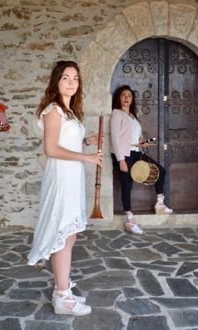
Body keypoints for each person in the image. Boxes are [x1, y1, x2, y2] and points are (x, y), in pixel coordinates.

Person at [27, 61, 102, 316]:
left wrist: (85, 141)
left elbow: (66, 140)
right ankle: (62, 296)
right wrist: (87, 157)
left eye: (75, 78)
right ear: (56, 81)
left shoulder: (69, 111)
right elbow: (51, 149)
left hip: (72, 176)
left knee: (70, 235)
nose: (71, 82)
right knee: (62, 233)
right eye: (66, 77)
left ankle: (63, 290)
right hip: (60, 176)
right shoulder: (53, 111)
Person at [110, 85, 173, 235]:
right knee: (127, 185)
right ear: (119, 98)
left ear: (132, 99)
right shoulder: (116, 114)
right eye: (124, 95)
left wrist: (141, 141)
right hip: (124, 154)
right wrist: (120, 160)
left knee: (160, 171)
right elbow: (115, 138)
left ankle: (159, 204)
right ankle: (130, 221)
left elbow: (133, 136)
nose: (126, 98)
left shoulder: (133, 116)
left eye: (129, 96)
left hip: (136, 151)